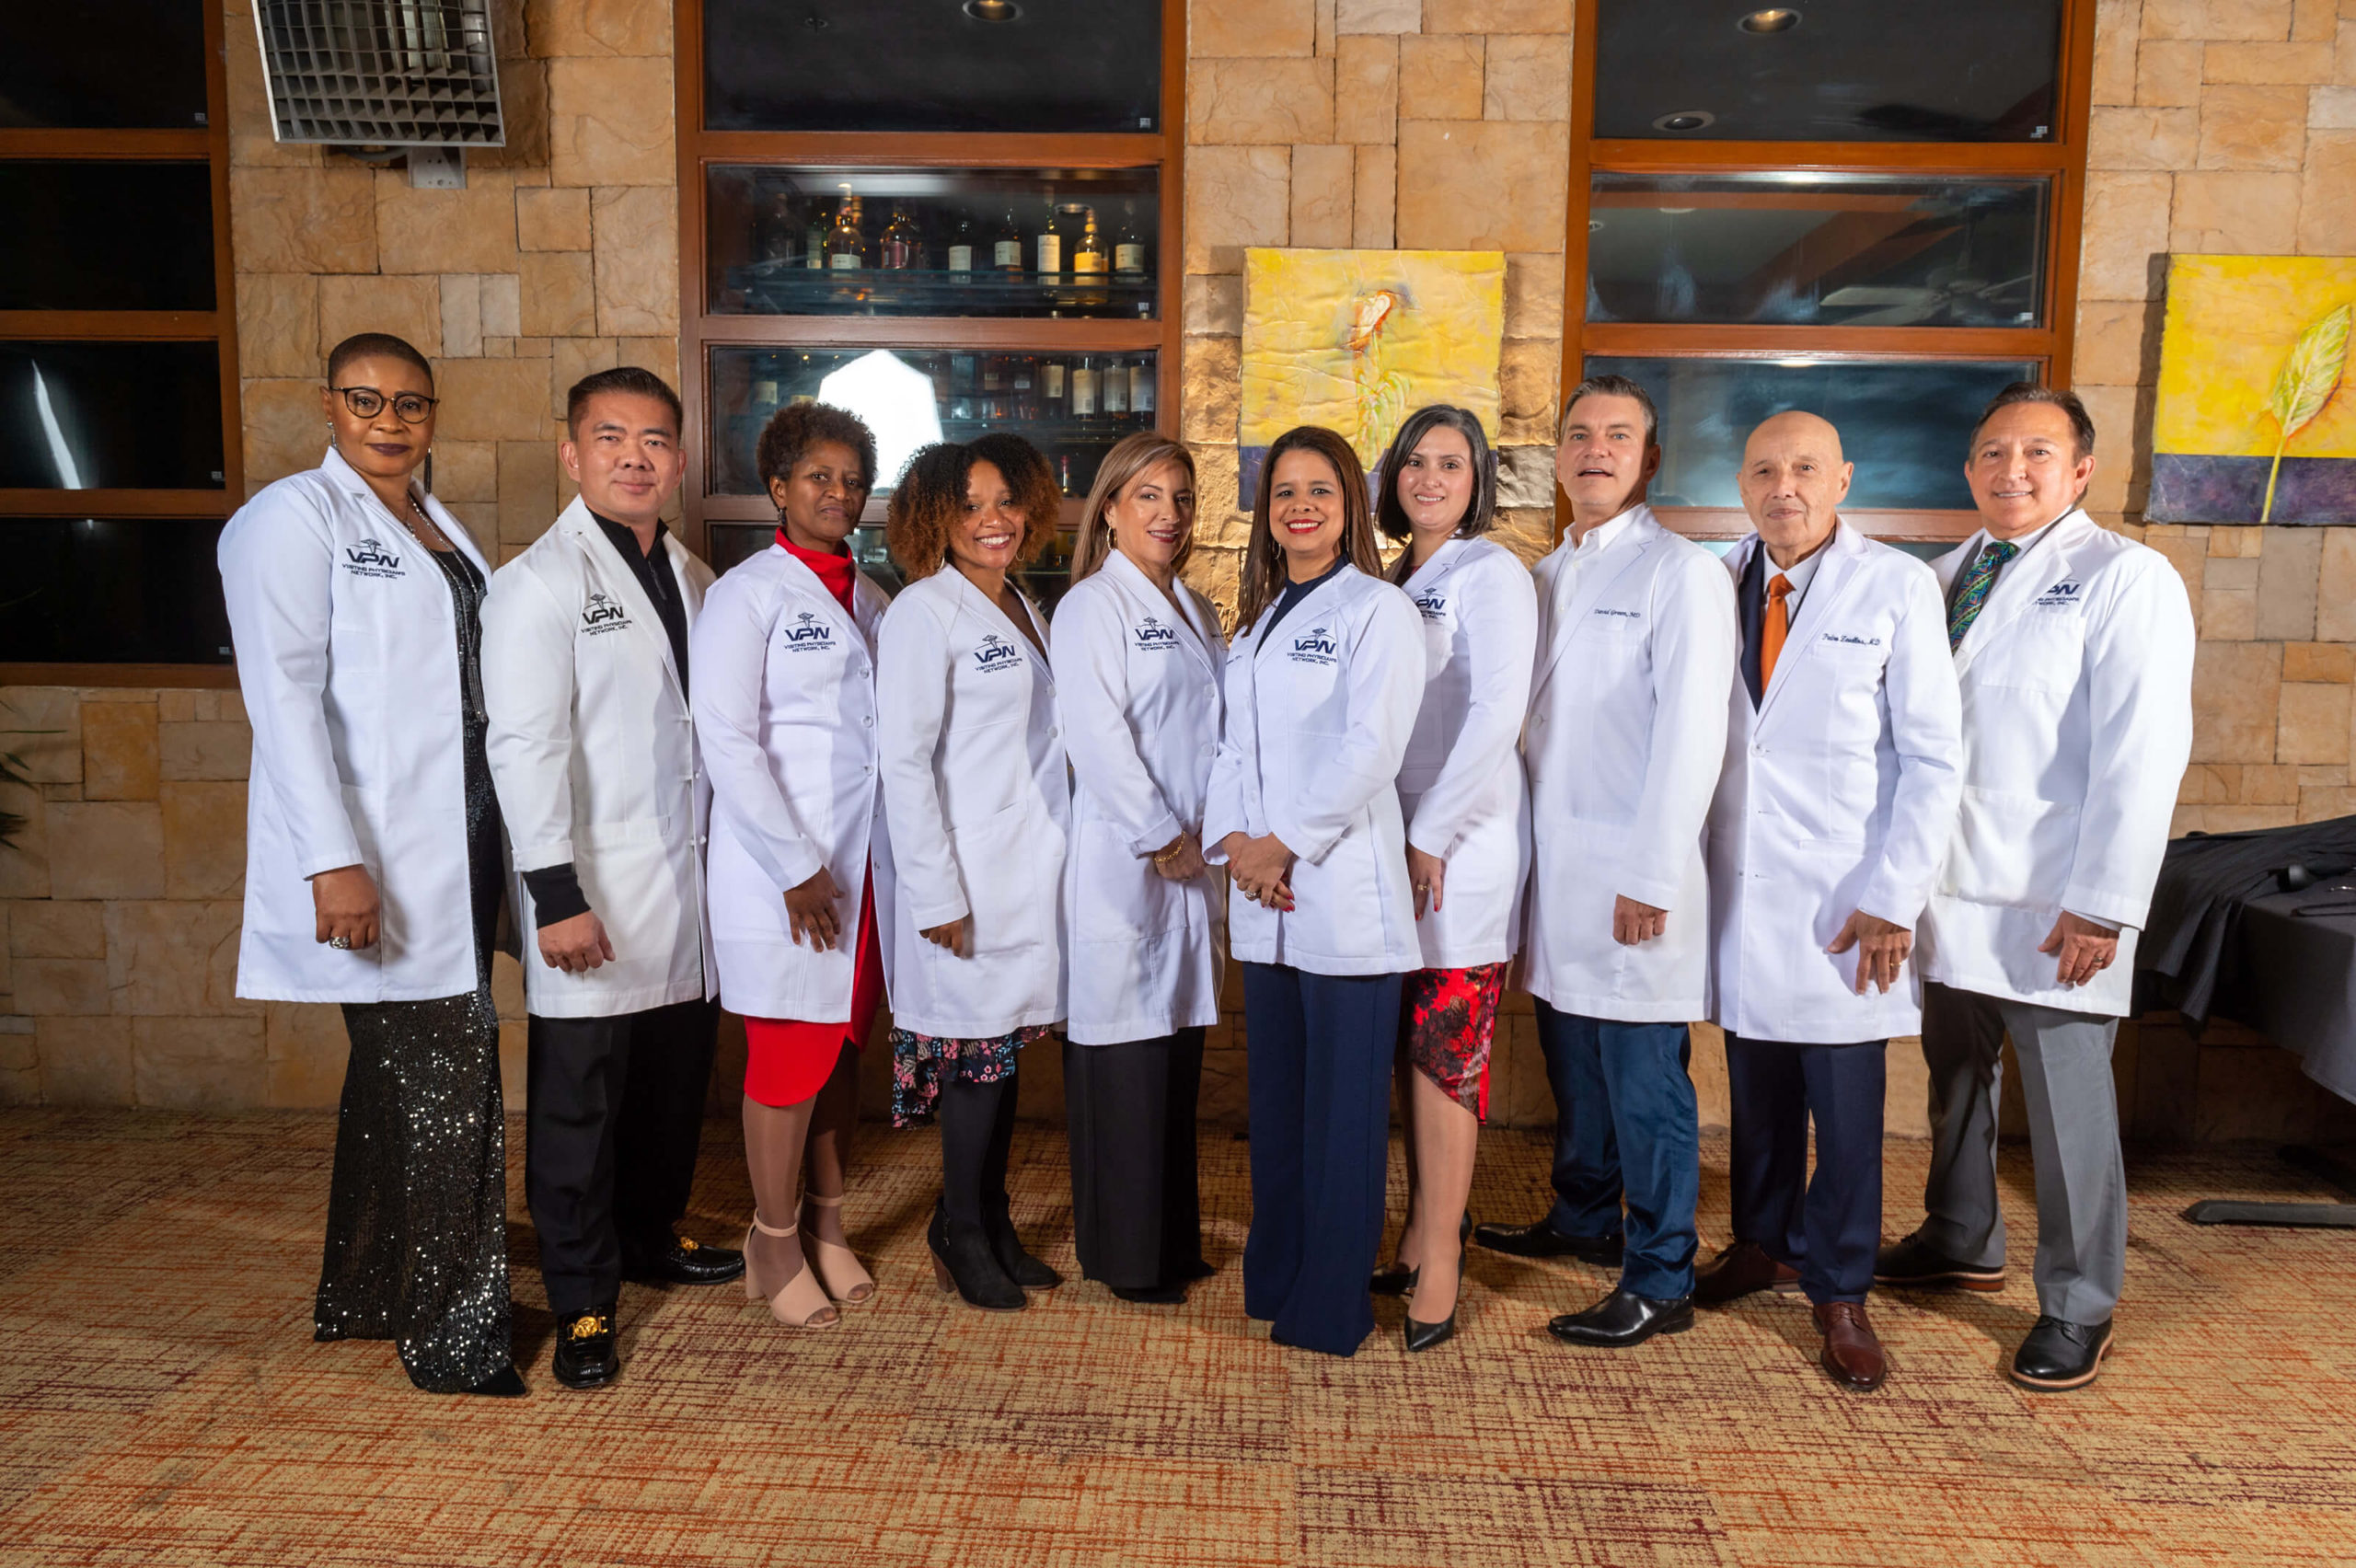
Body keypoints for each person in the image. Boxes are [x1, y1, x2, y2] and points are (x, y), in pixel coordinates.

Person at [218, 331, 523, 1396]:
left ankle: (366, 1290)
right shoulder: (289, 519)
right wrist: (332, 864)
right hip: (380, 847)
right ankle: (455, 1330)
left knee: (397, 1076)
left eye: (410, 404)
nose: (390, 421)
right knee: (448, 1075)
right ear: (328, 405)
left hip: (464, 833)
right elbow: (285, 701)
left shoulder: (432, 523)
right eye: (366, 400)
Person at [1877, 384, 2195, 1391]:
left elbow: (2142, 754)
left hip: (2054, 898)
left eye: (2036, 454)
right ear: (1967, 469)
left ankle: (2077, 1304)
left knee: (2066, 1112)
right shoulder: (1939, 578)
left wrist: (2104, 900)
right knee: (1954, 1075)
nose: (2011, 471)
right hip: (1949, 890)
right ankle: (1961, 1231)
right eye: (1991, 453)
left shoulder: (2125, 579)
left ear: (2080, 470)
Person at [480, 367, 738, 1390]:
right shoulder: (536, 582)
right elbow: (523, 748)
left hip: (687, 890)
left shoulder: (696, 578)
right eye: (612, 437)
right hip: (590, 895)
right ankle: (585, 1301)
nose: (635, 457)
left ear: (678, 460)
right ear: (572, 453)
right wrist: (555, 895)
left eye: (655, 440)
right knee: (580, 1109)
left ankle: (649, 1237)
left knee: (670, 1093)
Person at [1695, 411, 1963, 1393]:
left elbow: (1931, 758)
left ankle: (1841, 1287)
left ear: (1842, 478)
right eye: (1764, 470)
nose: (1784, 488)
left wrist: (1894, 896)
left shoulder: (1895, 586)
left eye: (1805, 468)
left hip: (1848, 899)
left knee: (1846, 1112)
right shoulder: (1715, 579)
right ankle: (1761, 1244)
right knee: (1756, 1091)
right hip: (1742, 889)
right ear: (1742, 483)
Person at [1496, 375, 1737, 1351]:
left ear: (1648, 460)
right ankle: (1585, 1216)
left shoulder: (1679, 573)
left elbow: (1692, 736)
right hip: (1557, 873)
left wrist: (1651, 871)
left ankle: (1659, 1272)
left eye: (1617, 436)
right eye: (1577, 434)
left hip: (1633, 873)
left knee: (1644, 1082)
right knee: (1576, 1068)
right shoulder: (1546, 573)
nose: (1594, 449)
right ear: (1556, 456)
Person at [1205, 425, 1425, 1357]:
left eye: (1321, 490)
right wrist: (1235, 845)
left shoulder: (1379, 611)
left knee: (1341, 1120)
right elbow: (1227, 750)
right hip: (1266, 902)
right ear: (1267, 510)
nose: (1300, 505)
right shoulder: (1252, 625)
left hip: (1338, 898)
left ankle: (1330, 1305)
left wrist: (1283, 846)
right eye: (1285, 490)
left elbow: (1370, 750)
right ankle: (1277, 1278)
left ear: (1351, 507)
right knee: (1280, 1110)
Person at [692, 402, 892, 1333]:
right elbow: (727, 740)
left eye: (852, 479)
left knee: (841, 1056)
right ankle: (770, 1243)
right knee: (786, 1060)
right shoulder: (748, 594)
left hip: (859, 873)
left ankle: (826, 1225)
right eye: (819, 476)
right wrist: (793, 867)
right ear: (777, 488)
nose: (838, 493)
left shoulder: (876, 597)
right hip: (789, 876)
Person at [876, 434, 1070, 1312]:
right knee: (972, 1062)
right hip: (963, 878)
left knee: (1002, 1053)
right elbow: (904, 763)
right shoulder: (926, 612)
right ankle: (959, 1227)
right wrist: (937, 895)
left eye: (1005, 500)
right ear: (934, 519)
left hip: (1027, 869)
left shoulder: (1025, 602)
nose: (993, 520)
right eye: (969, 505)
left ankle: (989, 1219)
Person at [1367, 406, 1536, 1354]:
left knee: (1445, 1056)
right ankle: (1420, 1224)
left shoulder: (1491, 573)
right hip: (1392, 848)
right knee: (1406, 1051)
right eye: (1415, 463)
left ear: (1478, 480)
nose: (1430, 478)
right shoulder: (1396, 576)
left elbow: (1494, 714)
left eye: (1451, 463)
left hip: (1457, 853)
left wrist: (1430, 834)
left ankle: (1440, 1258)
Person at [1052, 433, 1225, 1307]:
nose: (1169, 513)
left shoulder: (1196, 605)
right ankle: (1126, 1257)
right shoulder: (1091, 606)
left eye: (1182, 497)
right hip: (1133, 864)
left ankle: (1171, 1238)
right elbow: (1096, 737)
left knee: (1174, 1061)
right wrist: (1162, 836)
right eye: (1149, 496)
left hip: (1193, 869)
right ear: (1112, 506)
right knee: (1124, 1064)